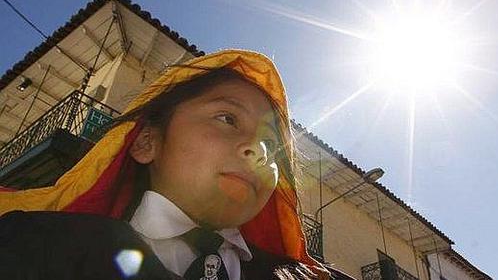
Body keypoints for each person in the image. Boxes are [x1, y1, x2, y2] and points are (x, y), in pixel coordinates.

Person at [0, 50, 343, 279]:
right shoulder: (33, 243)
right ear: (147, 142)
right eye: (227, 118)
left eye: (272, 145)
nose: (259, 152)